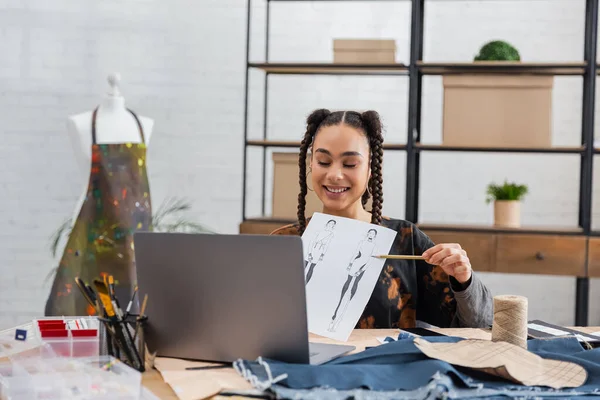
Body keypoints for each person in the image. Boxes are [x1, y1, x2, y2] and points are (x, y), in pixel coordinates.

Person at [271, 109, 493, 329]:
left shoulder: (404, 240)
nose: (335, 175)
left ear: (371, 168)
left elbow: (478, 325)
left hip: (384, 363)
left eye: (349, 164)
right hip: (304, 365)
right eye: (323, 161)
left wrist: (464, 280)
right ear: (311, 164)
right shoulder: (283, 243)